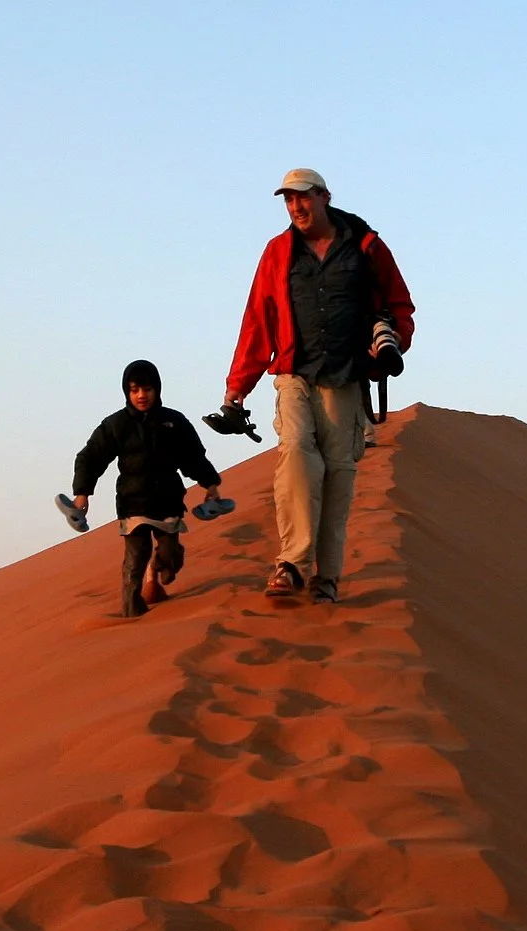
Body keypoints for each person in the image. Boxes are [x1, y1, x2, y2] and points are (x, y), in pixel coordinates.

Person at [224, 168, 414, 604]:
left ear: (324, 197)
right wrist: (239, 385)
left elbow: (400, 304)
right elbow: (258, 320)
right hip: (294, 372)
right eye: (289, 201)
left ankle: (326, 577)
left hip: (346, 377)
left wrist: (391, 341)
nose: (296, 208)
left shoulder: (366, 247)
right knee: (294, 450)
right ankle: (291, 561)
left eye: (303, 198)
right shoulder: (278, 252)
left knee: (338, 475)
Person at [65, 360, 224, 617]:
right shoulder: (116, 425)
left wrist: (211, 484)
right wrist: (82, 493)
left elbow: (193, 456)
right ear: (127, 392)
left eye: (147, 389)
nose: (141, 395)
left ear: (157, 389)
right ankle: (131, 611)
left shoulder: (174, 422)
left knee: (171, 556)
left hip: (168, 500)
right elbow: (90, 457)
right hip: (133, 503)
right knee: (135, 559)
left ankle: (161, 569)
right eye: (134, 389)